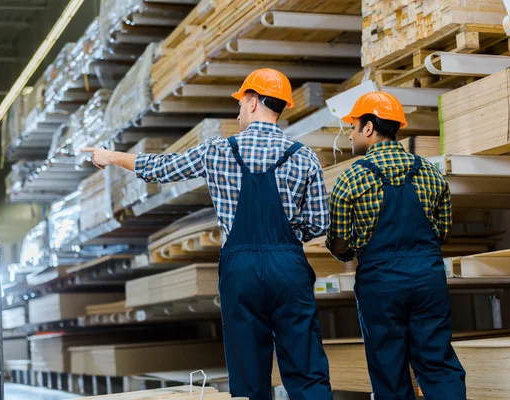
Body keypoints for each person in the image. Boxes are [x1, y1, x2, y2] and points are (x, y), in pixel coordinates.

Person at [81, 68, 332, 400]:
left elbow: (160, 168)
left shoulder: (218, 151)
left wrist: (110, 156)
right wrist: (286, 233)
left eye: (242, 103)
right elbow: (317, 223)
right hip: (288, 268)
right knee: (305, 367)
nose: (239, 110)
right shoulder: (304, 157)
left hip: (240, 272)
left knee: (248, 371)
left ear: (254, 101)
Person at [326, 92, 466, 400]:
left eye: (353, 125)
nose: (349, 134)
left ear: (369, 128)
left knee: (389, 369)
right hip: (427, 278)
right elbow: (443, 233)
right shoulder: (430, 172)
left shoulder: (350, 179)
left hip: (380, 283)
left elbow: (338, 244)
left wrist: (351, 252)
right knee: (438, 363)